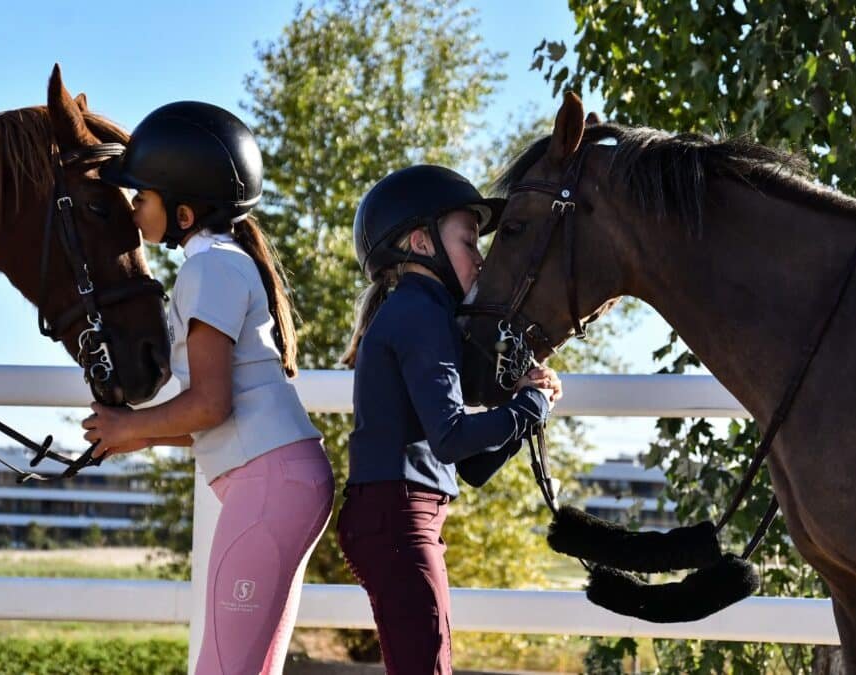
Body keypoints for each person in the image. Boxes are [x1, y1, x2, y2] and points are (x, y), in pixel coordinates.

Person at [80, 101, 334, 675]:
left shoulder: (208, 269)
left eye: (141, 197)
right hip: (282, 478)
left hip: (270, 488)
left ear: (184, 211)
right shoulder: (223, 261)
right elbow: (223, 418)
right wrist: (142, 439)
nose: (133, 208)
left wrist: (130, 425)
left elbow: (210, 404)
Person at [338, 165, 562, 673]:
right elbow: (453, 438)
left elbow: (470, 466)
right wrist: (531, 407)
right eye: (468, 241)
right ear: (421, 242)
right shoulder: (420, 314)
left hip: (401, 513)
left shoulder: (419, 312)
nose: (480, 260)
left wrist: (527, 410)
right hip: (400, 517)